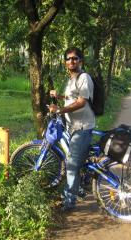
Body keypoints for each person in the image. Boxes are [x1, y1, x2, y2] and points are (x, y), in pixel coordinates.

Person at [49, 47, 95, 211]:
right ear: (65, 62)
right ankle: (80, 188)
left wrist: (59, 110)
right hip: (72, 126)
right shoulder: (71, 79)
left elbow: (82, 102)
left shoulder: (84, 77)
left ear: (81, 61)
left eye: (75, 58)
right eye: (68, 59)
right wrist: (58, 97)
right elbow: (72, 98)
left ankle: (69, 203)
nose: (71, 61)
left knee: (72, 165)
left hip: (82, 127)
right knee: (76, 162)